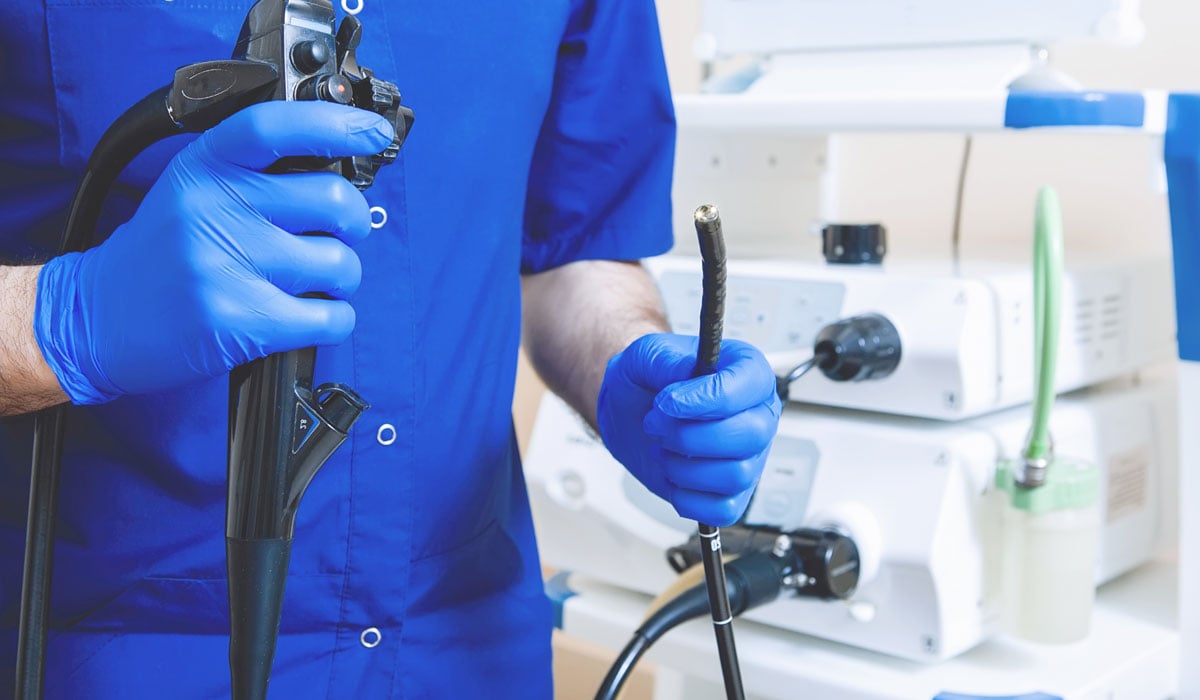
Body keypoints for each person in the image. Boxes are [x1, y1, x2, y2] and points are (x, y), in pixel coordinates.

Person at [0, 1, 781, 697]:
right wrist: (68, 319)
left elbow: (572, 248)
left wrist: (627, 360)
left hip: (465, 648)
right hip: (99, 647)